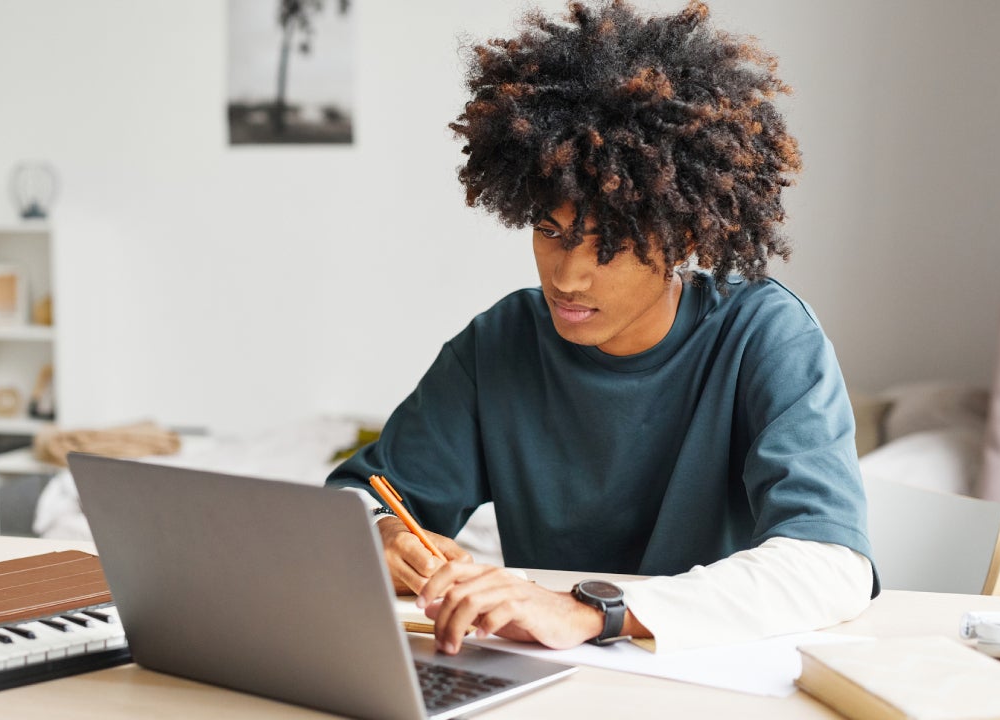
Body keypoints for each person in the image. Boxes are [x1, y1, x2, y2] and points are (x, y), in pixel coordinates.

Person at [326, 0, 875, 656]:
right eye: (549, 233)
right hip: (547, 678)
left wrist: (592, 612)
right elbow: (356, 499)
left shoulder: (766, 334)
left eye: (606, 244)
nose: (568, 277)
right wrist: (384, 535)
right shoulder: (502, 342)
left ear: (686, 236)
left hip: (709, 679)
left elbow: (831, 567)